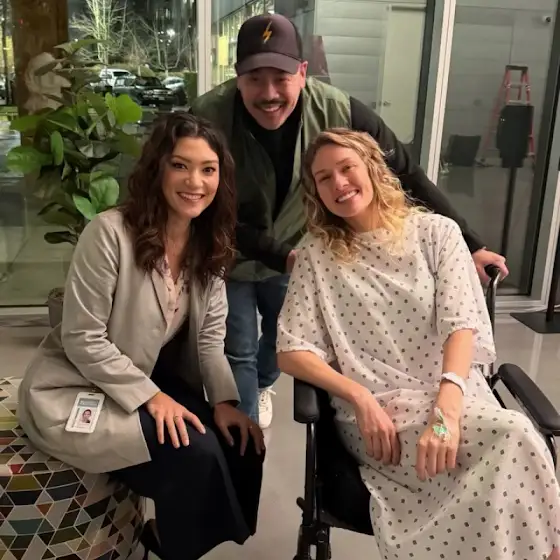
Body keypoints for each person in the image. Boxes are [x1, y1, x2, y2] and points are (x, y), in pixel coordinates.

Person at [190, 13, 508, 429]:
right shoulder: (208, 117)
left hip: (294, 252)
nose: (268, 94)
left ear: (302, 72)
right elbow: (204, 207)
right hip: (231, 249)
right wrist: (278, 254)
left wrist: (472, 243)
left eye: (281, 78)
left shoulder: (340, 109)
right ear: (237, 78)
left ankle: (264, 384)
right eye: (254, 80)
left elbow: (406, 173)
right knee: (239, 349)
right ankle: (246, 446)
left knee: (278, 340)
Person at [276, 128, 560, 560]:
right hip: (381, 417)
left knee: (511, 449)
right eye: (324, 177)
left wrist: (446, 413)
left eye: (347, 168)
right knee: (514, 439)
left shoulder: (436, 233)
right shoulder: (316, 255)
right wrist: (359, 397)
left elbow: (460, 324)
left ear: (373, 168)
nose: (339, 183)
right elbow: (291, 349)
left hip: (455, 396)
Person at [17, 113, 266, 560]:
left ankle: (170, 539)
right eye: (180, 165)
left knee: (243, 444)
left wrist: (226, 402)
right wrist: (152, 397)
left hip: (149, 374)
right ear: (157, 169)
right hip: (82, 382)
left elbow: (210, 339)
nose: (195, 182)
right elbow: (83, 338)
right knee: (196, 454)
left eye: (208, 169)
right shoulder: (109, 233)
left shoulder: (208, 242)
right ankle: (173, 548)